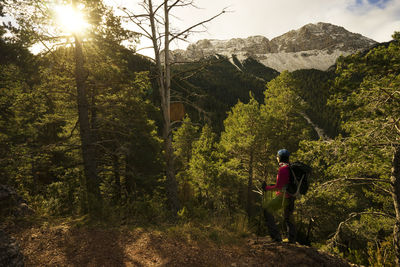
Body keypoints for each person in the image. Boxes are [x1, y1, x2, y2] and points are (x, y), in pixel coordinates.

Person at [262, 149, 296, 243]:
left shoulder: (283, 169)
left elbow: (278, 187)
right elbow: (285, 183)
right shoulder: (290, 167)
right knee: (288, 217)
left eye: (277, 156)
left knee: (267, 210)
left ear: (279, 158)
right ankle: (291, 239)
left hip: (283, 197)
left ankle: (276, 237)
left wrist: (266, 188)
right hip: (291, 196)